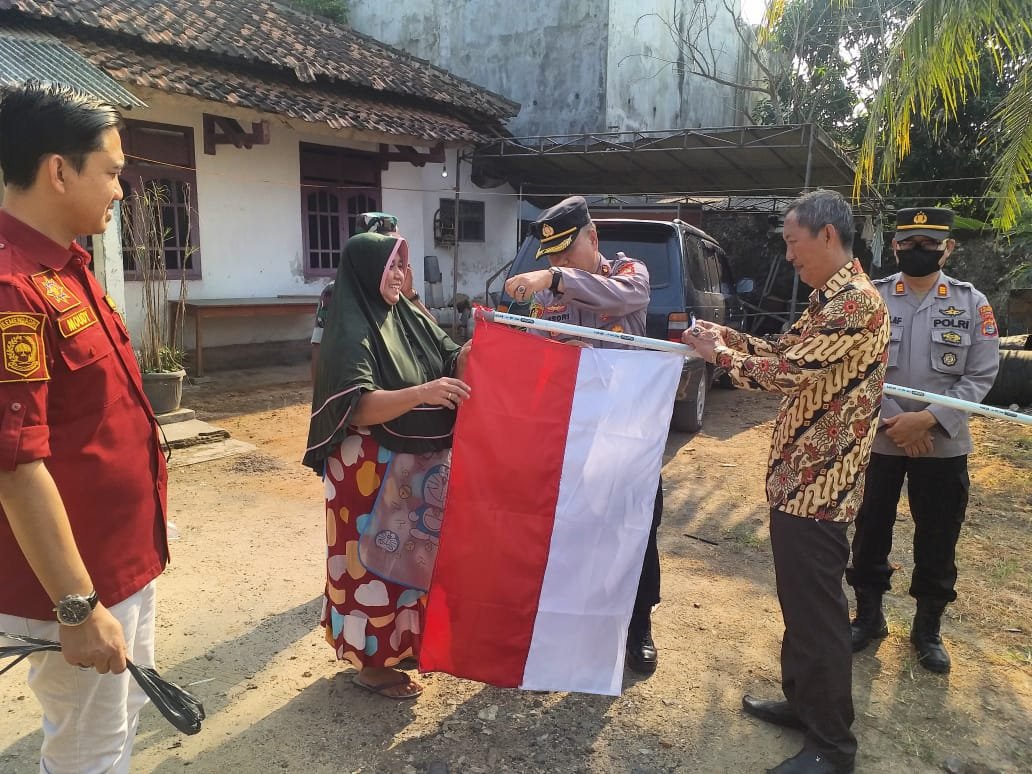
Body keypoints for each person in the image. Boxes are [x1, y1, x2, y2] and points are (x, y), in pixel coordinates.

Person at [684, 189, 890, 774]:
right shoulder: (830, 298)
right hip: (799, 482)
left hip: (821, 488)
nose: (789, 255)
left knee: (819, 616)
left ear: (828, 236)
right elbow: (783, 348)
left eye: (793, 243)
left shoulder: (855, 305)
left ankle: (832, 746)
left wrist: (721, 357)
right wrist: (723, 341)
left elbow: (787, 373)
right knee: (802, 608)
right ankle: (804, 704)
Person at [0, 83, 168, 771]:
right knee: (87, 751)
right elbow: (15, 465)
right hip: (78, 581)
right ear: (58, 170)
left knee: (118, 724)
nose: (120, 191)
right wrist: (76, 606)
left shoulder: (66, 268)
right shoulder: (12, 288)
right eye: (112, 172)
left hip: (120, 561)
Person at [303, 230, 470, 699]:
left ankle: (401, 648)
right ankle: (372, 665)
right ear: (366, 272)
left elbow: (450, 355)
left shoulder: (409, 315)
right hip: (366, 474)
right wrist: (422, 392)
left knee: (410, 561)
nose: (398, 275)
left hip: (410, 468)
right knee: (370, 566)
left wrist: (484, 344)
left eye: (402, 265)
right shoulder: (352, 326)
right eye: (389, 266)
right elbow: (356, 406)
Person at [503, 195, 662, 675]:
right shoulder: (550, 296)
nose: (555, 265)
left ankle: (639, 627)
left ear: (592, 238)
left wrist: (554, 278)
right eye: (549, 258)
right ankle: (575, 626)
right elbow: (532, 347)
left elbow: (623, 298)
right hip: (572, 433)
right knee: (574, 528)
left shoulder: (629, 273)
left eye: (564, 254)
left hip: (627, 435)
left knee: (636, 528)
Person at [846, 207, 1000, 673]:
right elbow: (858, 369)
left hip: (943, 443)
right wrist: (899, 423)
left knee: (938, 535)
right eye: (908, 243)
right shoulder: (871, 298)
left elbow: (981, 375)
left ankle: (927, 628)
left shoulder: (973, 304)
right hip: (882, 436)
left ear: (947, 248)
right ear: (893, 246)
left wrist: (928, 420)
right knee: (871, 529)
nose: (918, 251)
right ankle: (868, 616)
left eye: (928, 243)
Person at [310, 213, 433, 380]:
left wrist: (410, 294)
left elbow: (432, 334)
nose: (391, 252)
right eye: (384, 247)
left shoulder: (396, 291)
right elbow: (320, 348)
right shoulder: (337, 293)